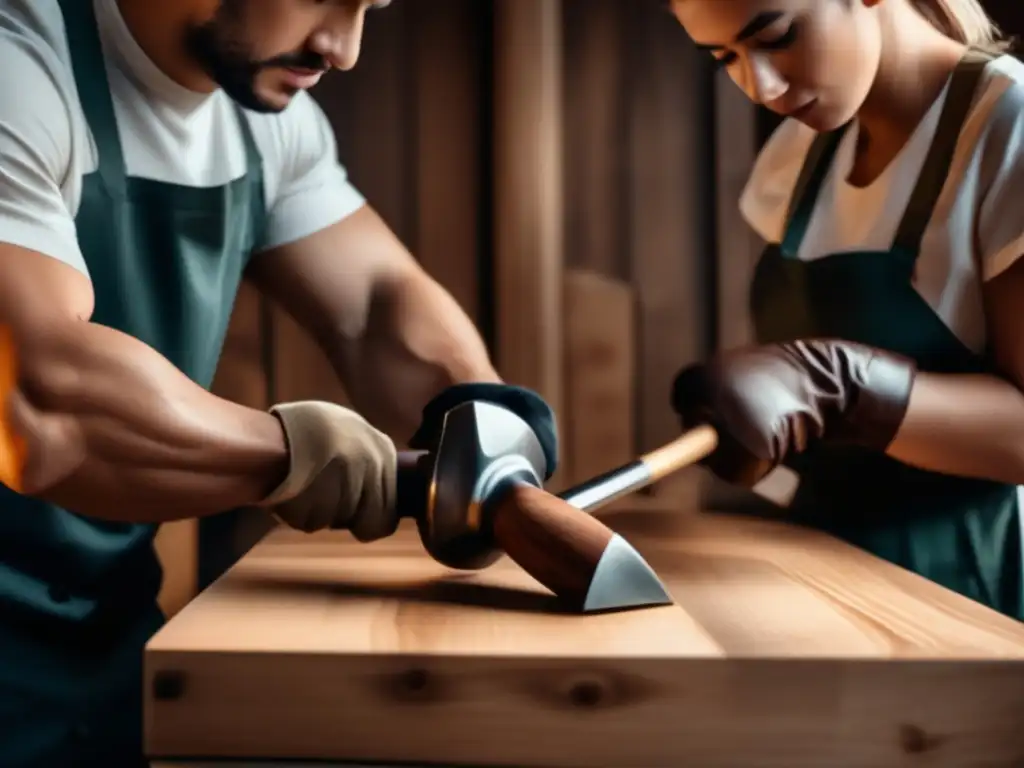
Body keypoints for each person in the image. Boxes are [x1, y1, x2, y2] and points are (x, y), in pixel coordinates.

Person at [0, 0, 558, 765]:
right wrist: (297, 453)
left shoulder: (263, 109)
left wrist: (482, 415)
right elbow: (45, 406)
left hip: (108, 649)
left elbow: (375, 307)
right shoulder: (20, 71)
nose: (347, 46)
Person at [668, 0, 1024, 621]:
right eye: (725, 57)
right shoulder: (799, 155)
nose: (761, 87)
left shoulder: (1007, 130)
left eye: (778, 36)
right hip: (825, 574)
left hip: (967, 596)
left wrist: (841, 387)